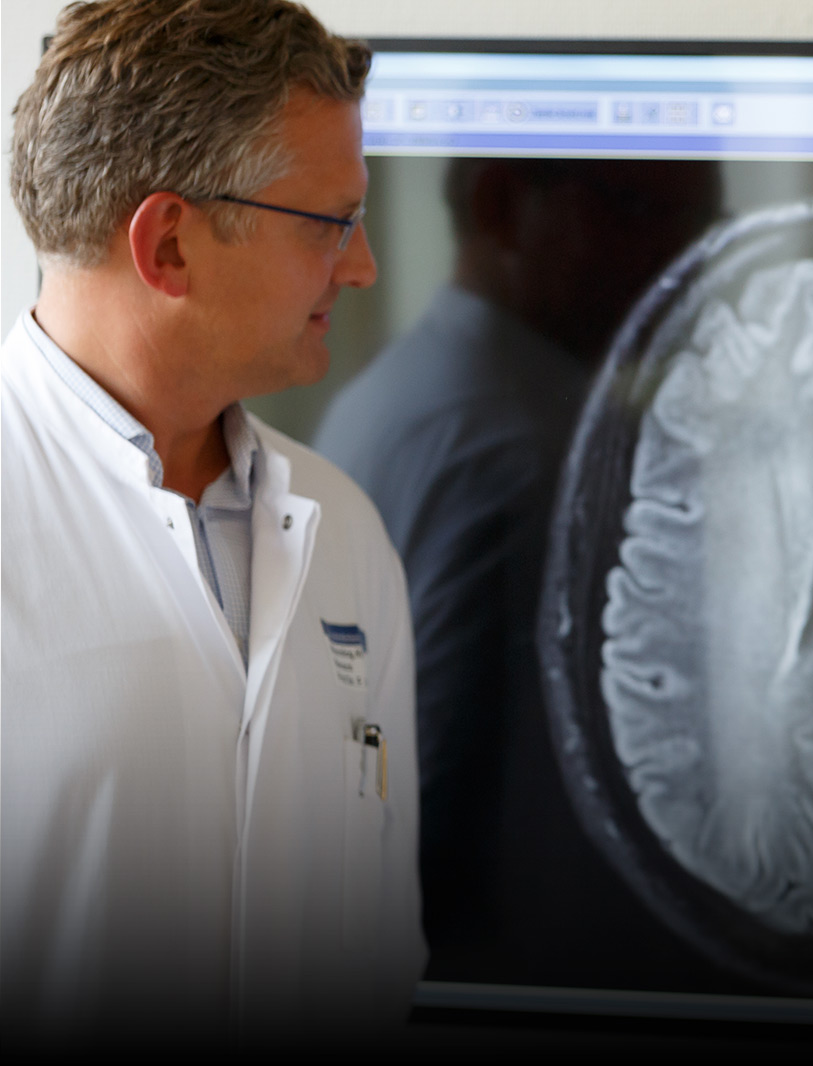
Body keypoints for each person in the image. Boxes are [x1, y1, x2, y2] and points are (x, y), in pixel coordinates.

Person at [1, 0, 424, 1047]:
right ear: (171, 243)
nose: (363, 266)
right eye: (332, 222)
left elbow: (381, 961)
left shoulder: (347, 534)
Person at [312, 157, 721, 980]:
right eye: (641, 210)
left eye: (702, 226)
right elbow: (442, 828)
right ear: (501, 205)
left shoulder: (390, 395)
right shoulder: (522, 455)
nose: (685, 263)